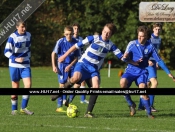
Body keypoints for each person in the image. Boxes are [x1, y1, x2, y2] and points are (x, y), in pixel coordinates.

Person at [51, 23, 125, 118]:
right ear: (102, 30)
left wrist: (129, 59)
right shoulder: (93, 38)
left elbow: (121, 57)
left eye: (108, 33)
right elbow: (76, 46)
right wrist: (64, 56)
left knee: (96, 87)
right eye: (105, 31)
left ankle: (88, 113)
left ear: (111, 35)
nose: (105, 34)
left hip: (94, 69)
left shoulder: (111, 45)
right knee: (75, 79)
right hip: (83, 64)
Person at [120, 25, 175, 118]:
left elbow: (159, 60)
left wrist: (168, 73)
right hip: (131, 70)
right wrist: (128, 59)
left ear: (146, 37)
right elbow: (123, 59)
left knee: (143, 89)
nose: (139, 38)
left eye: (142, 36)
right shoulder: (132, 44)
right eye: (139, 35)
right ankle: (131, 104)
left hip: (142, 72)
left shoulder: (150, 46)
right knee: (122, 83)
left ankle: (149, 113)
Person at [4, 20, 34, 115]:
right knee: (15, 87)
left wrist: (28, 58)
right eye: (22, 27)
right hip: (14, 65)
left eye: (25, 27)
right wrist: (15, 59)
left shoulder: (29, 35)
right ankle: (14, 110)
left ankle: (24, 108)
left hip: (25, 65)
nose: (24, 29)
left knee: (28, 85)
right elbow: (6, 52)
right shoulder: (12, 37)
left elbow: (28, 48)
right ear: (17, 27)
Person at [51, 25, 79, 112]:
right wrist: (54, 66)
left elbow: (76, 57)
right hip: (62, 66)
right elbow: (53, 54)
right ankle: (59, 106)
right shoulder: (60, 41)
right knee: (62, 85)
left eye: (70, 34)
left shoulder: (76, 42)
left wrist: (70, 65)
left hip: (72, 65)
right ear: (64, 34)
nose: (68, 36)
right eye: (67, 34)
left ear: (72, 34)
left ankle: (68, 102)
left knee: (77, 84)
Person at [138, 23, 162, 112]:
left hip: (154, 62)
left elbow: (156, 51)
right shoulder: (149, 38)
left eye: (159, 29)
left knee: (147, 85)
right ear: (153, 29)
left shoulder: (159, 39)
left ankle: (141, 106)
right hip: (148, 63)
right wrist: (147, 60)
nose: (158, 31)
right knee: (154, 83)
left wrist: (157, 62)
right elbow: (144, 50)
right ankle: (150, 105)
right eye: (156, 29)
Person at [66, 23, 89, 104]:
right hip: (69, 63)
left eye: (77, 29)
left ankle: (79, 99)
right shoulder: (68, 39)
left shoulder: (81, 39)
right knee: (70, 82)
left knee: (81, 82)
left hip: (80, 62)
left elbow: (82, 51)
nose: (76, 30)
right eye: (74, 28)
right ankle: (64, 101)